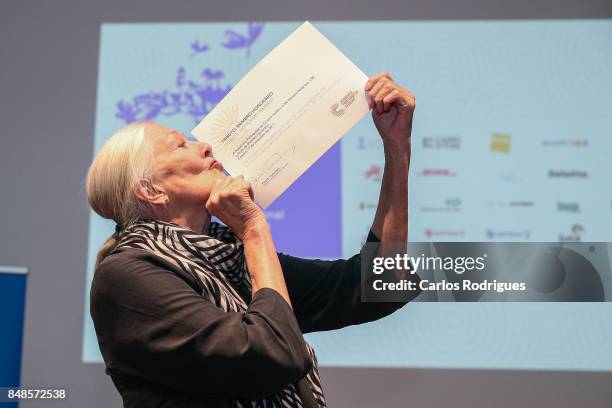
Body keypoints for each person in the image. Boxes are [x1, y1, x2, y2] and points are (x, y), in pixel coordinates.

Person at [86, 71, 419, 408]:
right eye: (180, 145)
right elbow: (269, 355)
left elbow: (380, 283)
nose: (204, 146)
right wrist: (254, 230)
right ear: (150, 191)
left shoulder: (229, 258)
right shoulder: (127, 275)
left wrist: (397, 148)